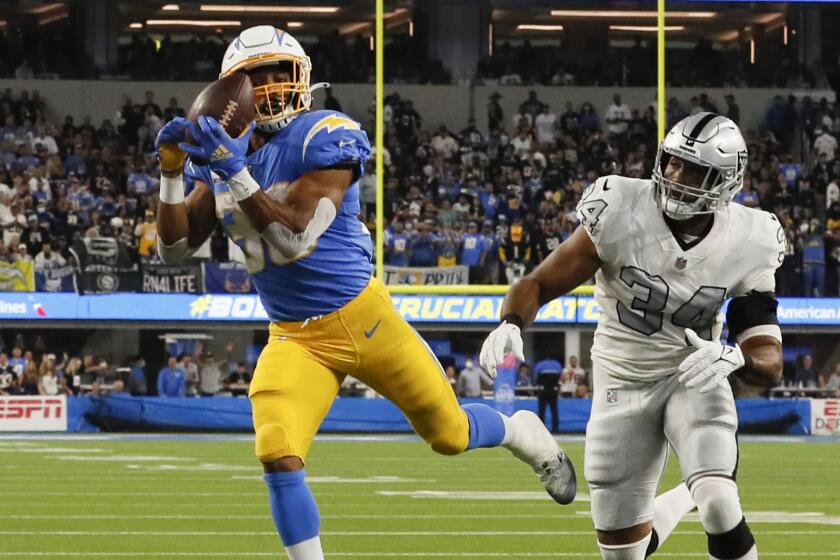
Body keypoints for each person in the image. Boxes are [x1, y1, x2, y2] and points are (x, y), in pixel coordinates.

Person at [154, 25, 575, 560]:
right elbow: (173, 251)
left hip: (364, 319)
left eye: (280, 74)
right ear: (231, 91)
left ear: (301, 78)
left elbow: (292, 238)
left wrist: (234, 170)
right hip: (295, 337)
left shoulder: (323, 134)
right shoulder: (218, 152)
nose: (269, 88)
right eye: (255, 78)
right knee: (277, 450)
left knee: (449, 434)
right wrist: (171, 174)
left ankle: (520, 431)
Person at [481, 112, 785, 560]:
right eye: (673, 162)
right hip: (620, 380)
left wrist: (738, 359)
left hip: (693, 375)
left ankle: (699, 492)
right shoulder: (620, 207)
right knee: (624, 554)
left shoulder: (751, 238)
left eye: (694, 169)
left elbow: (769, 357)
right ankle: (685, 495)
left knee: (720, 501)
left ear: (724, 181)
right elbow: (540, 283)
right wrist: (511, 321)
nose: (677, 177)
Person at [534, 359, 561, 433]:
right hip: (553, 389)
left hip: (543, 389)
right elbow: (559, 377)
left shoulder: (540, 364)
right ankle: (555, 429)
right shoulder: (557, 364)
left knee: (542, 410)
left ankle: (541, 430)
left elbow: (536, 377)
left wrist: (537, 384)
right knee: (554, 410)